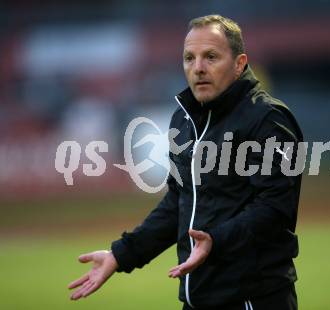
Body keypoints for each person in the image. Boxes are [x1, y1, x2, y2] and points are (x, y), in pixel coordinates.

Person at [68, 14, 303, 310]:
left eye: (211, 57)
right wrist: (121, 254)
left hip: (253, 299)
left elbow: (275, 208)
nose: (198, 68)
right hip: (197, 299)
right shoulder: (185, 119)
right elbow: (179, 202)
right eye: (189, 58)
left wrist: (215, 241)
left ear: (240, 63)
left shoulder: (268, 120)